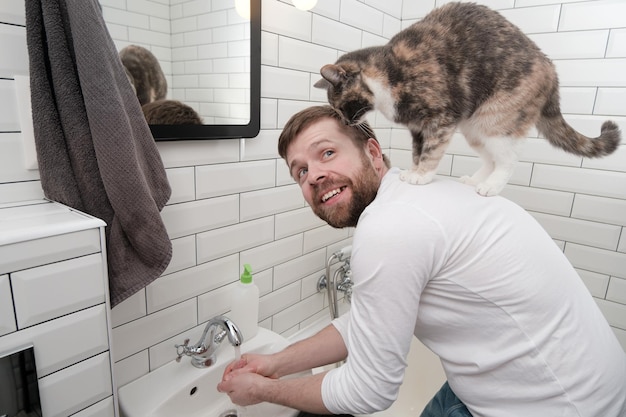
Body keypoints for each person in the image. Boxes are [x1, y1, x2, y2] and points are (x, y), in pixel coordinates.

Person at [217, 105, 626, 417]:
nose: (314, 175)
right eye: (300, 171)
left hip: (560, 406)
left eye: (327, 153)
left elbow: (369, 391)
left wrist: (264, 391)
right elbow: (366, 321)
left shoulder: (390, 225)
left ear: (373, 153)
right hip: (563, 386)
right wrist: (275, 362)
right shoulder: (414, 201)